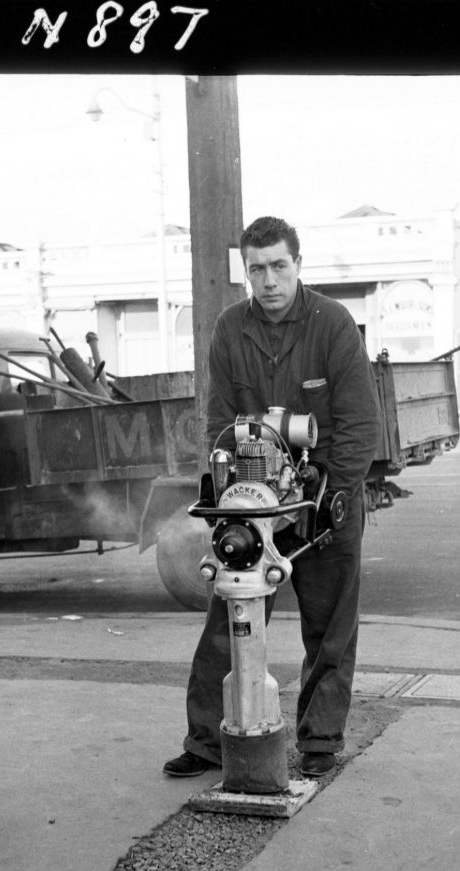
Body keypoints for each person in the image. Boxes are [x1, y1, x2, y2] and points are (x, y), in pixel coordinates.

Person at [162, 216, 381, 779]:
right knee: (229, 613)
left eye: (279, 266)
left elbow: (360, 425)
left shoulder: (333, 324)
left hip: (325, 498)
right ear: (246, 273)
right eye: (256, 269)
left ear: (299, 265)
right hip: (256, 500)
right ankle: (208, 739)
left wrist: (326, 497)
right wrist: (233, 494)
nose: (269, 281)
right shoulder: (231, 329)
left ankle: (320, 741)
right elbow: (216, 422)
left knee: (329, 625)